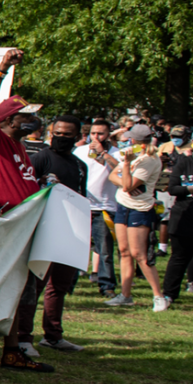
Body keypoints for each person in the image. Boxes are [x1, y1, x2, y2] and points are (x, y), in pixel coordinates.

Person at [0, 51, 56, 370]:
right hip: (0, 223)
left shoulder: (21, 146)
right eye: (25, 116)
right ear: (7, 120)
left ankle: (12, 350)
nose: (32, 121)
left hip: (22, 226)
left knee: (18, 287)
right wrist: (3, 68)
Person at [21, 115, 87, 352]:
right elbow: (27, 190)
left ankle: (53, 335)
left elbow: (81, 197)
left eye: (67, 135)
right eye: (57, 133)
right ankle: (23, 337)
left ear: (77, 137)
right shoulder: (41, 158)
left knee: (60, 285)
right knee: (35, 285)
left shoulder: (80, 165)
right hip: (44, 228)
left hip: (69, 230)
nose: (60, 138)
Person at [106, 123, 167, 310]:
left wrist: (125, 165)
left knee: (139, 254)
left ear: (136, 140)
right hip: (123, 206)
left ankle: (158, 296)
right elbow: (113, 176)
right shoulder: (135, 156)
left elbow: (128, 185)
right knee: (124, 251)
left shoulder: (149, 160)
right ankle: (125, 295)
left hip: (139, 209)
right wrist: (124, 178)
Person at [160, 127, 193, 304]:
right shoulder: (184, 162)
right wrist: (192, 189)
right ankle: (169, 295)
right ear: (192, 142)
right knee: (180, 257)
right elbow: (172, 188)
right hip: (184, 217)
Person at [83, 119, 120, 295]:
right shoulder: (80, 151)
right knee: (76, 246)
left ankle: (107, 285)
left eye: (100, 134)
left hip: (104, 206)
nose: (96, 137)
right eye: (93, 133)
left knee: (104, 249)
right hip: (83, 205)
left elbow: (121, 170)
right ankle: (69, 283)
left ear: (108, 135)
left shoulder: (116, 153)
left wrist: (103, 153)